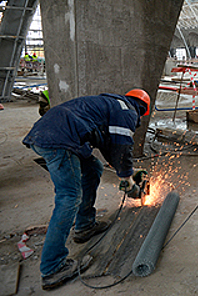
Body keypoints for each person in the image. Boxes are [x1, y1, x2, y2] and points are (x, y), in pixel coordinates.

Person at [22, 88, 151, 291]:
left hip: (45, 133)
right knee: (69, 196)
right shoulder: (127, 111)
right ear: (143, 109)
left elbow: (111, 149)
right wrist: (127, 180)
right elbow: (122, 148)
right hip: (59, 141)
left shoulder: (109, 105)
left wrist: (127, 172)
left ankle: (84, 226)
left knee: (93, 167)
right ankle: (53, 268)